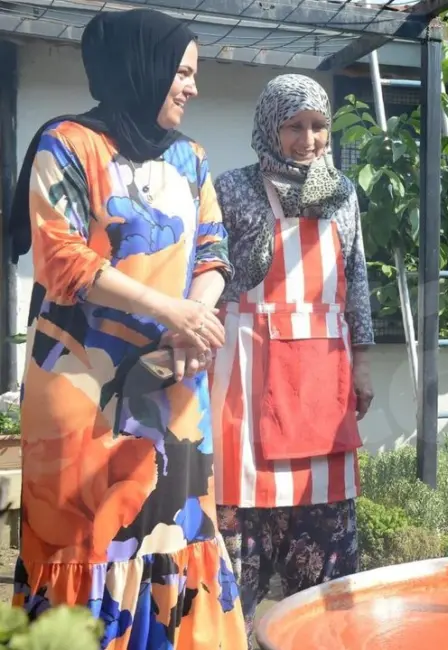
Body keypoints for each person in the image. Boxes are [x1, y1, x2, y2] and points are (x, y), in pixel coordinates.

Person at [5, 8, 248, 648]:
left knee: (176, 531)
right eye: (184, 72)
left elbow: (215, 253)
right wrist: (179, 315)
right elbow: (63, 262)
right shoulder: (67, 144)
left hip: (172, 382)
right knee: (82, 536)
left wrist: (195, 320)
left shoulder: (193, 159)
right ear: (143, 68)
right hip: (82, 386)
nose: (192, 87)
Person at [210, 73, 373, 642]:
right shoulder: (230, 188)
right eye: (294, 126)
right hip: (246, 369)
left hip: (323, 372)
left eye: (318, 126)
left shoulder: (345, 193)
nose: (309, 139)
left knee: (324, 527)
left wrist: (366, 366)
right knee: (239, 525)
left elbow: (356, 277)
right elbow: (210, 275)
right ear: (269, 128)